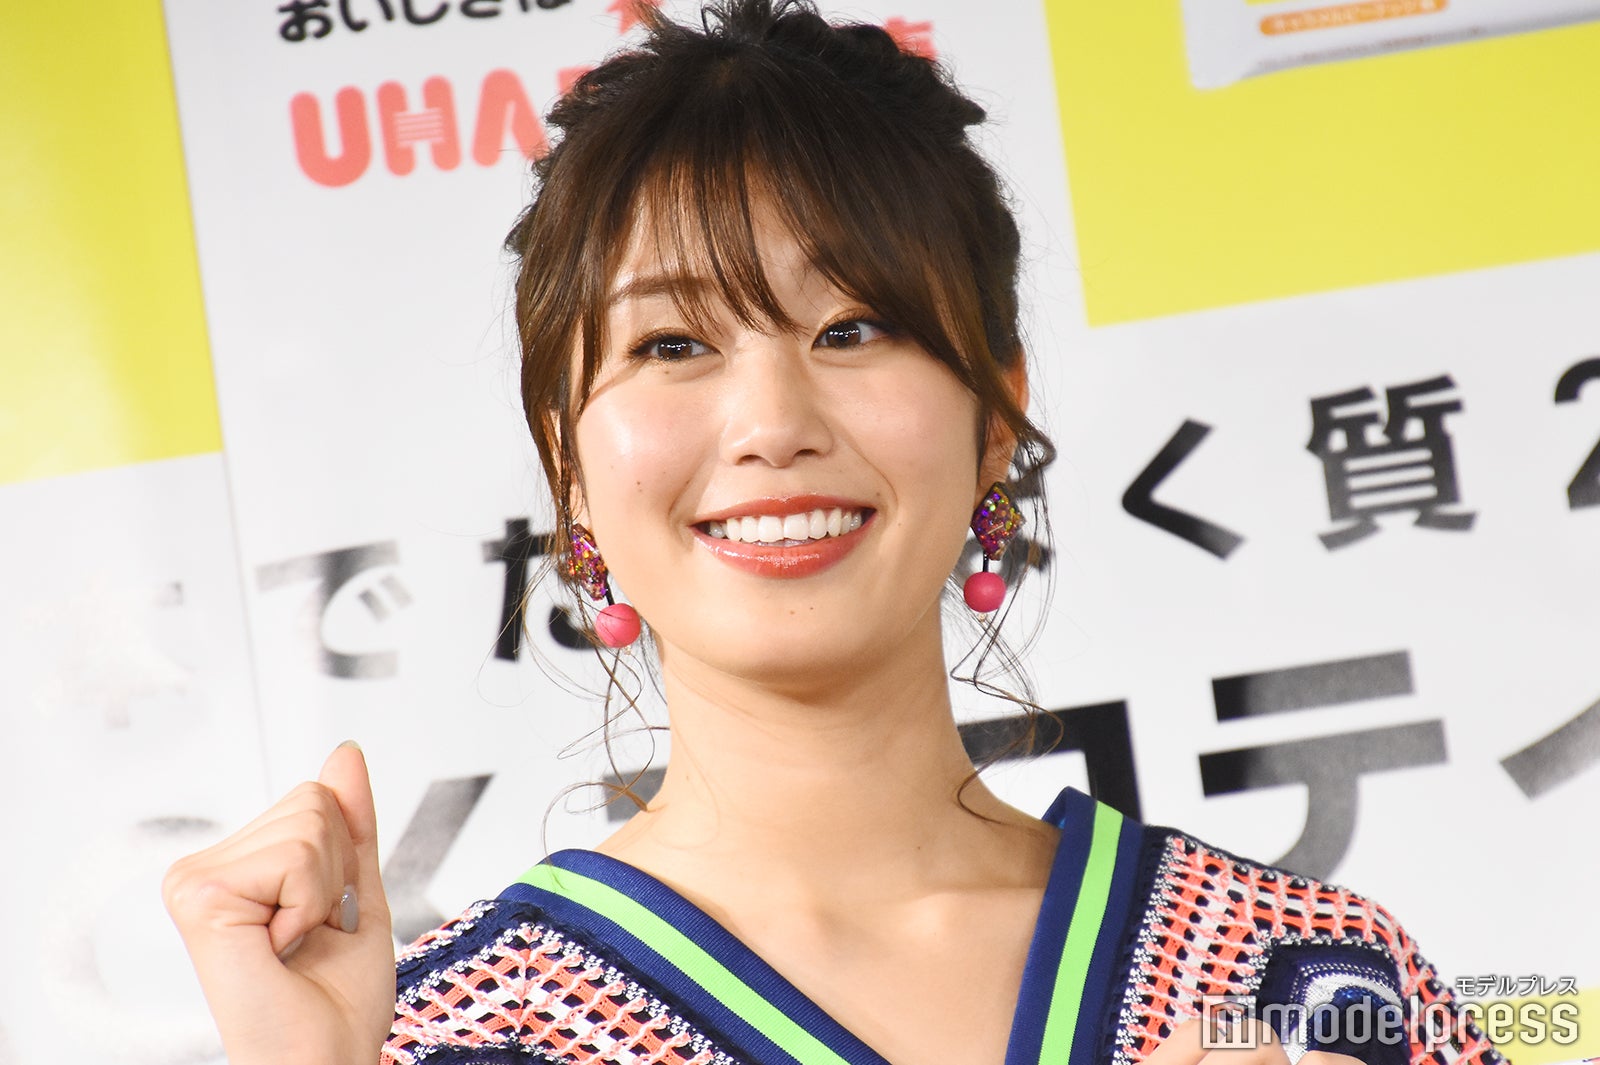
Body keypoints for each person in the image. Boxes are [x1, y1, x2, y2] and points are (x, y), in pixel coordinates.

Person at [162, 3, 1507, 1064]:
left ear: (995, 415)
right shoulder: (450, 1037)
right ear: (567, 462)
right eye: (672, 343)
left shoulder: (1303, 974)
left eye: (854, 327)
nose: (773, 423)